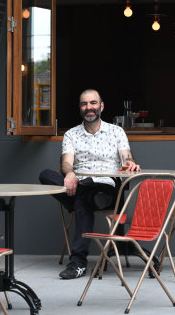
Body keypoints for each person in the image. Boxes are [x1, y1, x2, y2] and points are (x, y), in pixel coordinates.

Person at [39, 89, 140, 279]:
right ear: (80, 108)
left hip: (106, 189)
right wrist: (69, 174)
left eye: (93, 103)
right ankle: (78, 193)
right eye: (84, 104)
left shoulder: (116, 132)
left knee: (83, 195)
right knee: (46, 175)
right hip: (79, 184)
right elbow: (67, 162)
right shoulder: (71, 134)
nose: (89, 108)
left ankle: (78, 263)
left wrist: (129, 163)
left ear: (101, 106)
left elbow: (126, 157)